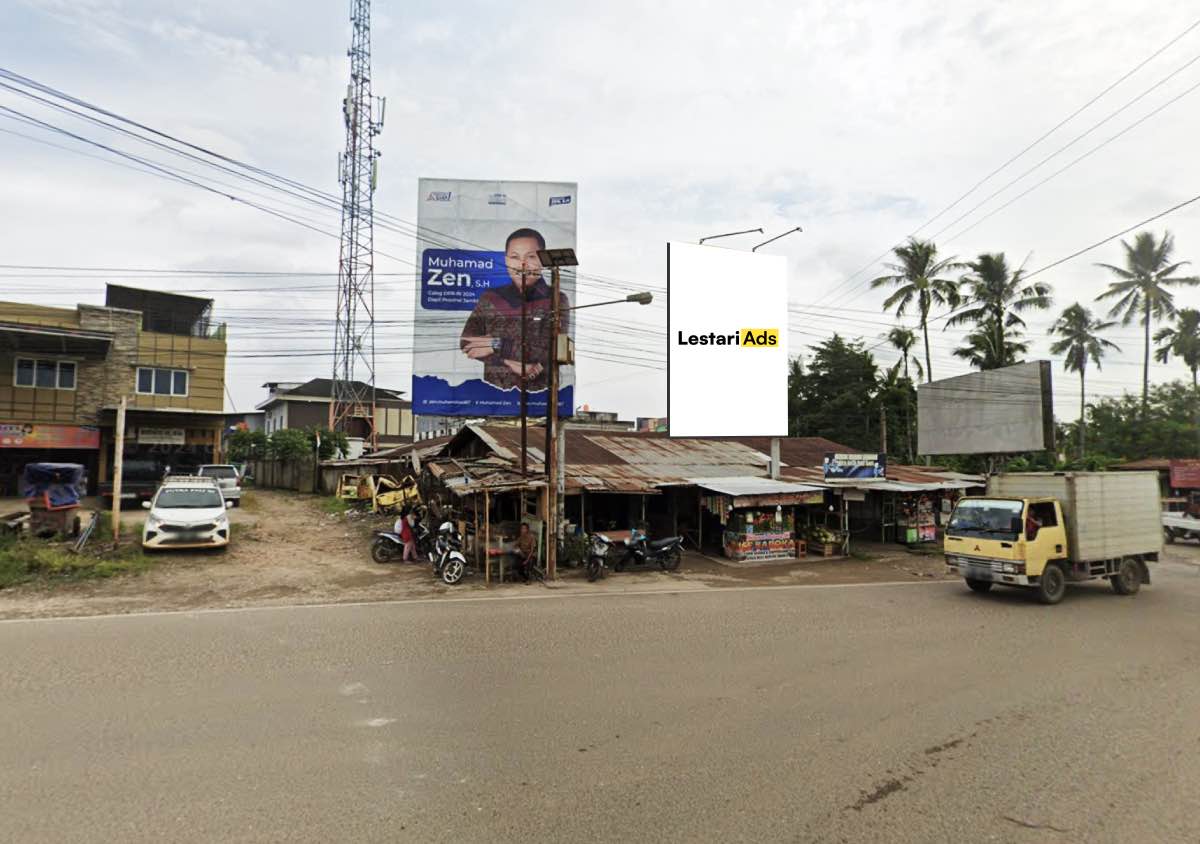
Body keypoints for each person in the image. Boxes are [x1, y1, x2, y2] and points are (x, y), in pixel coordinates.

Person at [459, 227, 571, 391]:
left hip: (539, 396)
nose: (522, 264)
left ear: (542, 260)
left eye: (531, 256)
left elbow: (552, 351)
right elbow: (466, 342)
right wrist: (508, 362)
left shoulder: (556, 299)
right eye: (515, 257)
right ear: (506, 261)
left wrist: (496, 344)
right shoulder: (490, 298)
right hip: (493, 397)